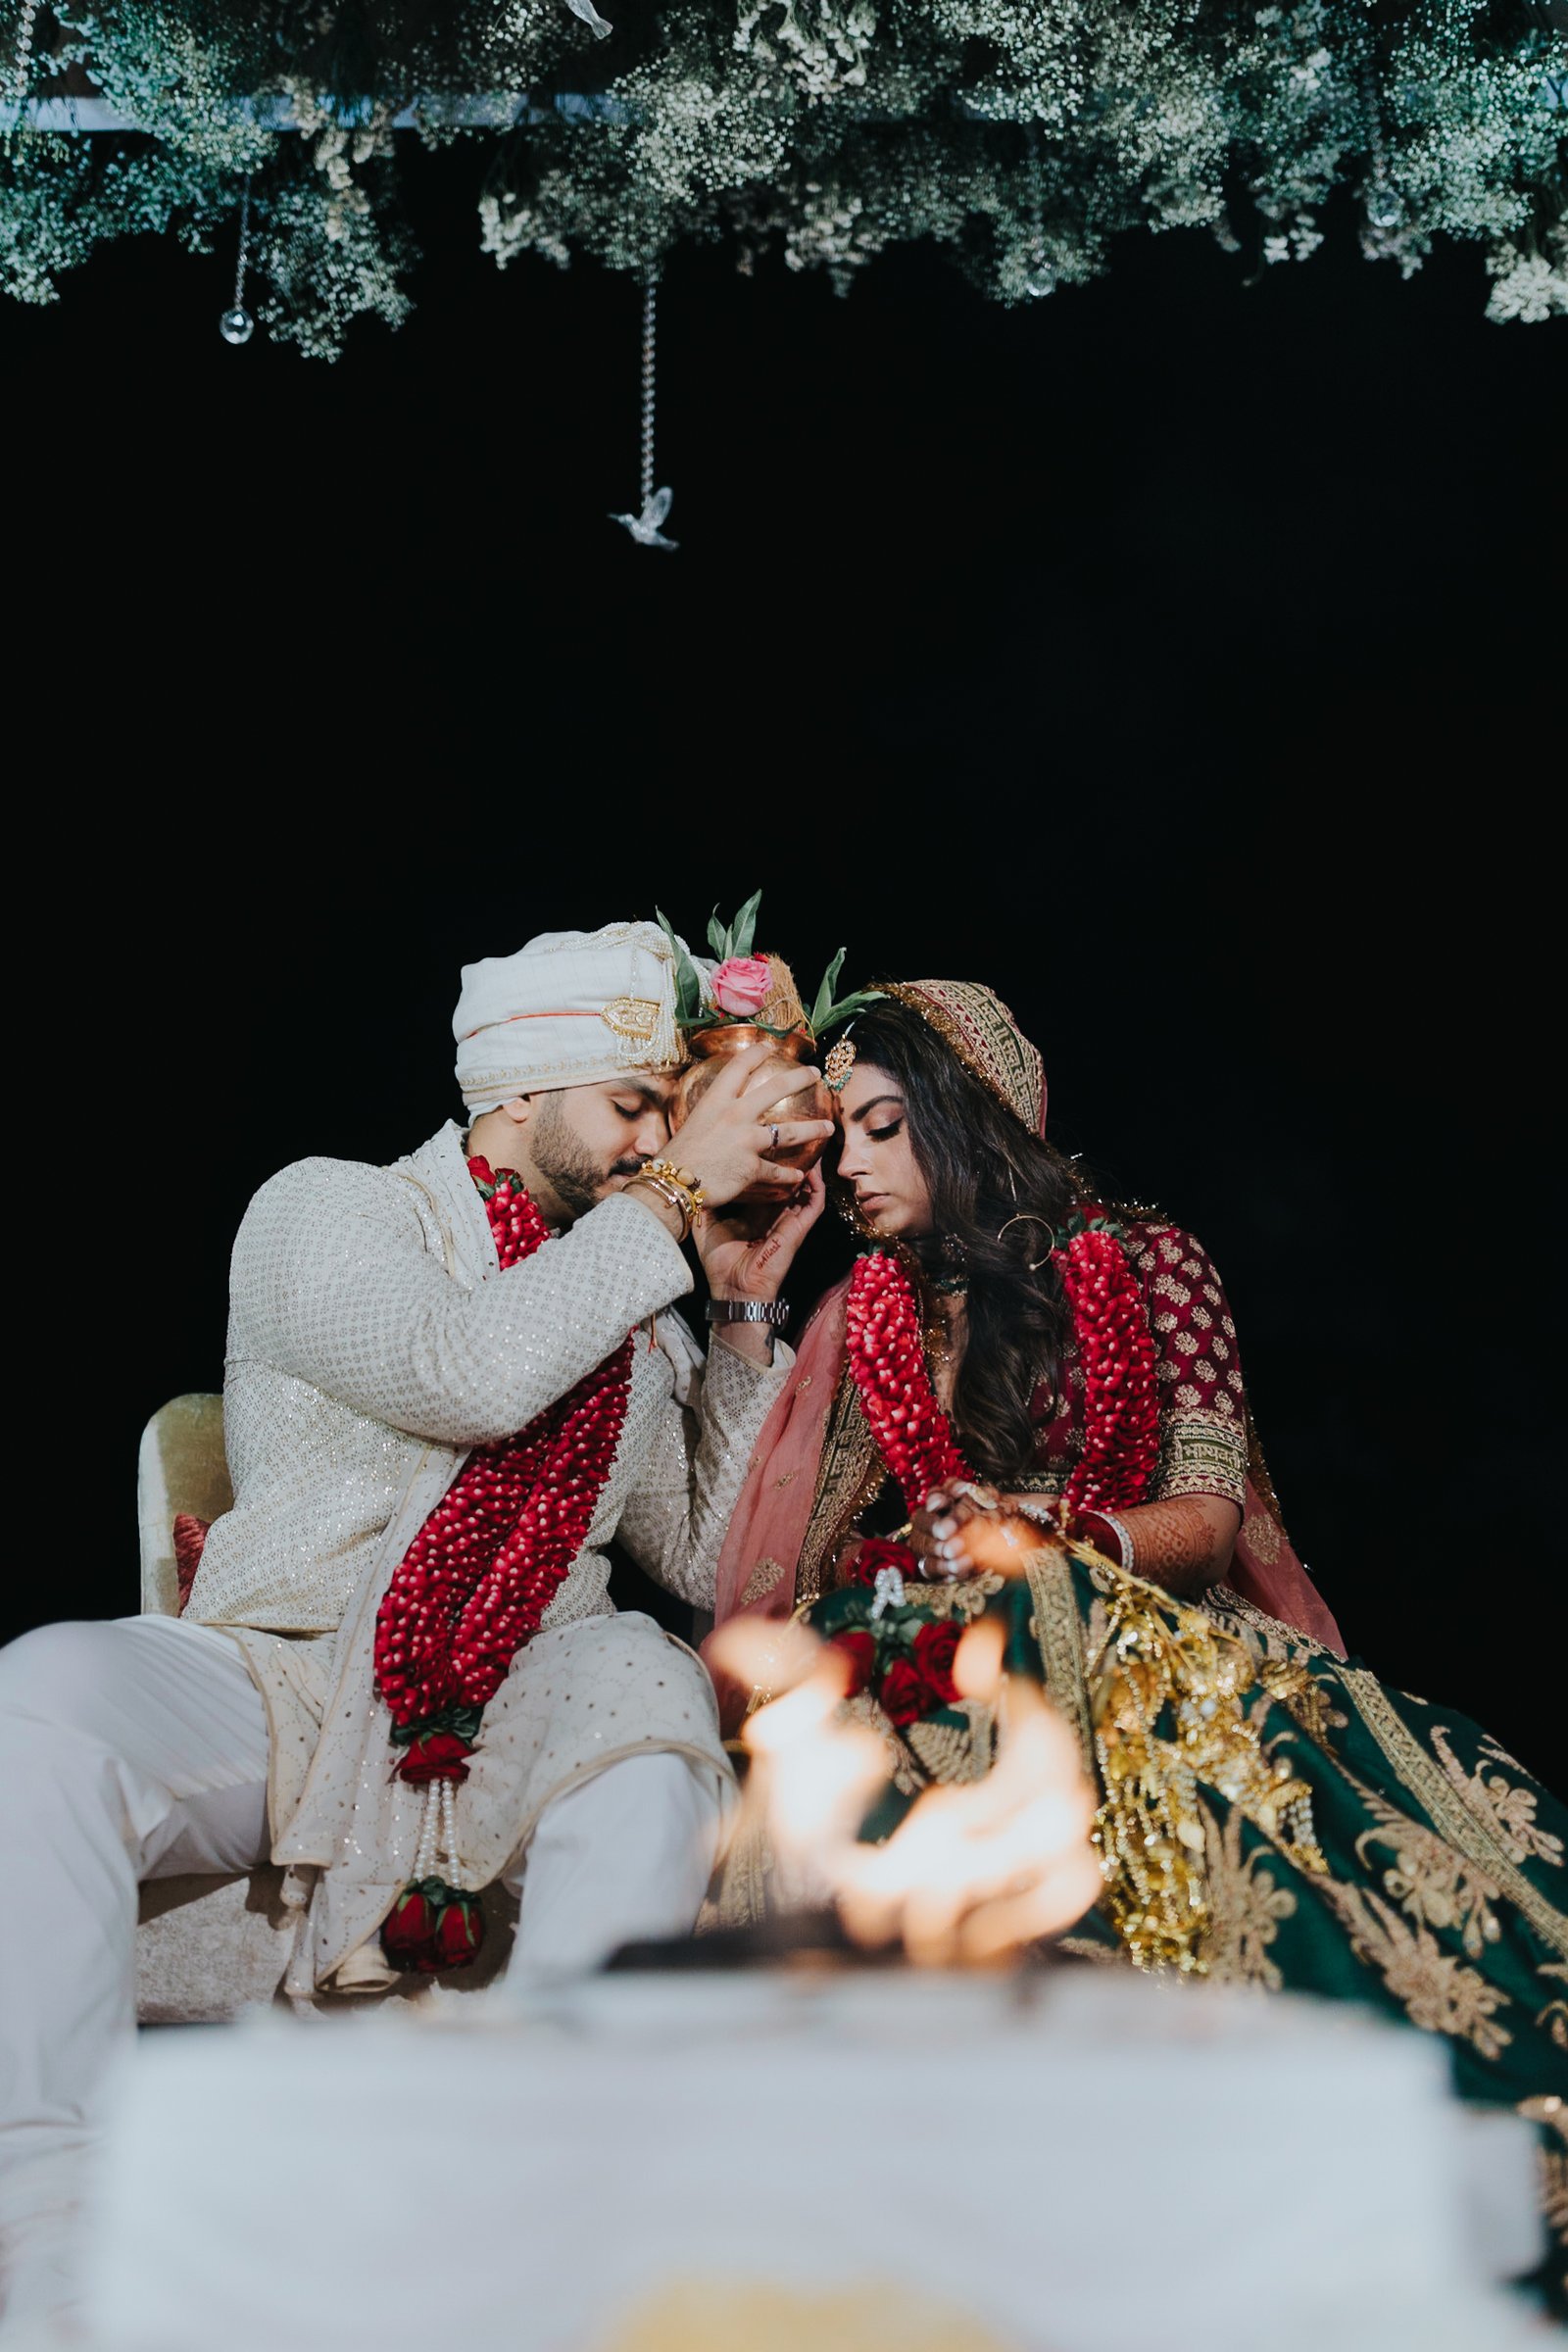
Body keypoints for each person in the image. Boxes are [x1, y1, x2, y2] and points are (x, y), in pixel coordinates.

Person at [0, 918, 830, 2339]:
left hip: (523, 1688)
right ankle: (50, 2233)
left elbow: (702, 1555)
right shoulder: (332, 1210)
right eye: (632, 1106)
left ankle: (557, 2231)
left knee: (649, 1685)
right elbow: (469, 1372)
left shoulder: (630, 1293)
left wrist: (743, 1305)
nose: (656, 1146)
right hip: (289, 1671)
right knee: (50, 1691)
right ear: (521, 1088)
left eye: (667, 1119)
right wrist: (668, 1206)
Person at [708, 982, 1567, 2287]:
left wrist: (1056, 1537)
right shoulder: (864, 1310)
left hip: (1142, 1626)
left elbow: (1208, 1518)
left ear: (969, 1115)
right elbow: (791, 1543)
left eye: (883, 1126)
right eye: (842, 1140)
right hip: (938, 1641)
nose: (855, 1168)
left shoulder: (1150, 1260)